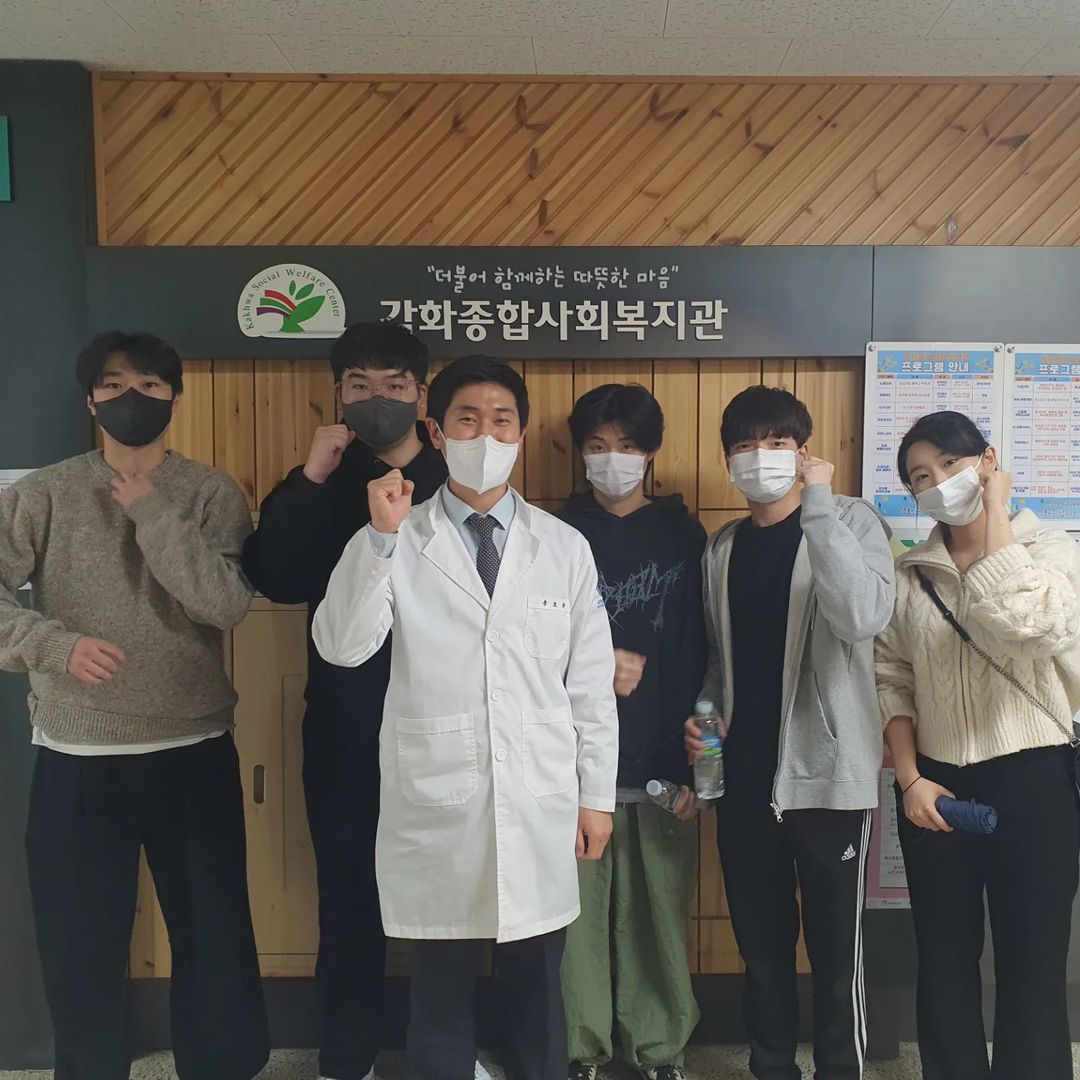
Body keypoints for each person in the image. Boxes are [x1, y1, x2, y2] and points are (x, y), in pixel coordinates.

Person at [312, 355, 620, 1080]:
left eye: (502, 421)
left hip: (540, 794)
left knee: (539, 980)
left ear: (522, 433)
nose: (486, 435)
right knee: (441, 982)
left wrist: (596, 797)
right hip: (438, 794)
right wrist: (380, 540)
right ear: (436, 432)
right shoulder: (397, 532)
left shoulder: (562, 547)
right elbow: (341, 646)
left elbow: (590, 686)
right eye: (468, 420)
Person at [0, 332, 269, 1080]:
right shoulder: (45, 492)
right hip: (77, 755)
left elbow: (225, 605)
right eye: (115, 385)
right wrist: (51, 645)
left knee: (215, 939)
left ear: (174, 398)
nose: (132, 399)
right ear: (90, 400)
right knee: (79, 947)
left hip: (192, 749)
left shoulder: (209, 492)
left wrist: (152, 512)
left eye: (150, 385)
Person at [242, 321, 447, 1080]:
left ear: (421, 394)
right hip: (344, 723)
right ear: (338, 394)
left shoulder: (457, 475)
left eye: (394, 385)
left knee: (449, 895)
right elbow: (277, 578)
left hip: (444, 721)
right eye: (360, 385)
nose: (376, 398)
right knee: (350, 895)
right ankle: (347, 1055)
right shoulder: (321, 479)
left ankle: (445, 1049)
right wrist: (311, 477)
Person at [685, 385, 895, 1080]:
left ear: (804, 453)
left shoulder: (852, 521)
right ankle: (771, 1067)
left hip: (829, 778)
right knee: (762, 951)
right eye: (744, 446)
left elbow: (862, 616)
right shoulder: (722, 548)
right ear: (728, 460)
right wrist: (707, 725)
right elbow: (719, 660)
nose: (760, 457)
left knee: (837, 959)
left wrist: (820, 505)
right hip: (745, 781)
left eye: (776, 443)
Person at [875, 410, 1080, 1080]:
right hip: (936, 783)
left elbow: (1029, 624)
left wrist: (995, 517)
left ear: (988, 462)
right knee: (943, 958)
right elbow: (891, 679)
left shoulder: (1052, 552)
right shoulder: (909, 575)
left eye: (950, 464)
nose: (937, 483)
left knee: (1033, 960)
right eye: (919, 477)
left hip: (1036, 776)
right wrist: (909, 779)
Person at [557, 384, 706, 1080]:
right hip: (570, 764)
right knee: (574, 917)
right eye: (596, 446)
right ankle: (580, 1047)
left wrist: (701, 766)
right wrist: (591, 665)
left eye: (626, 446)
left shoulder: (685, 536)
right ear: (579, 454)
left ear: (650, 453)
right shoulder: (553, 535)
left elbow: (707, 653)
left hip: (665, 758)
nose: (611, 459)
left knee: (658, 913)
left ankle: (659, 1047)